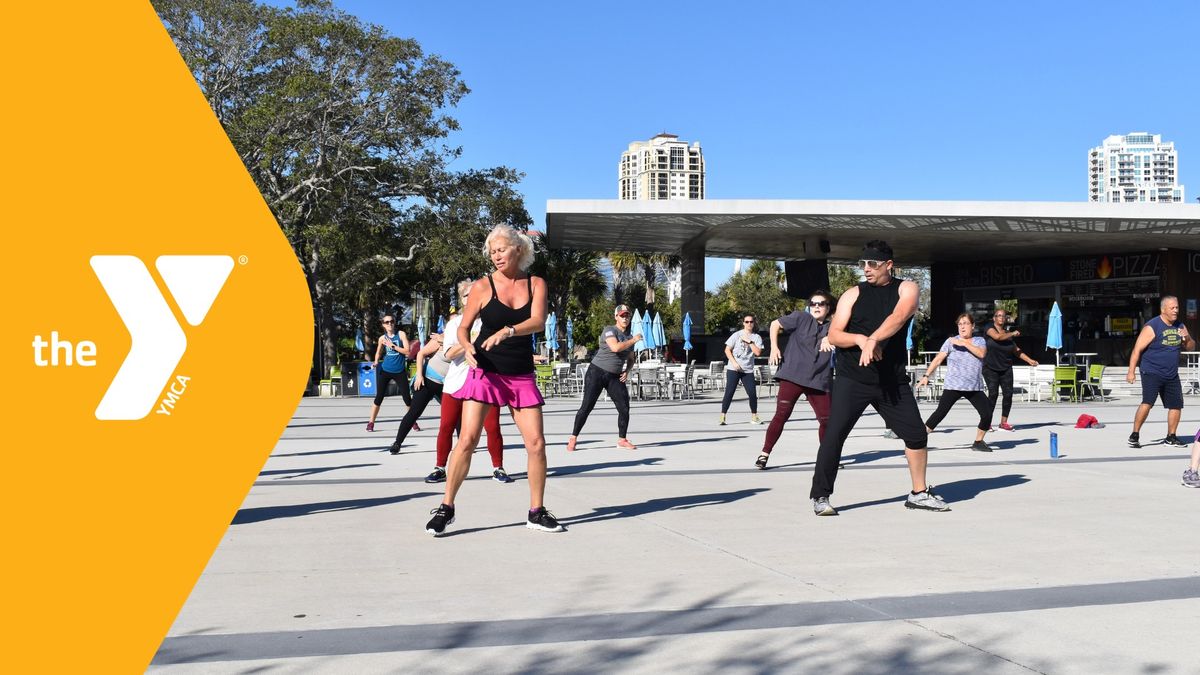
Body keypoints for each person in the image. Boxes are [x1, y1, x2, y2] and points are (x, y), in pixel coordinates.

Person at [425, 224, 563, 536]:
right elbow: (463, 326)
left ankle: (536, 511)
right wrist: (468, 346)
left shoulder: (536, 283)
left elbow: (538, 321)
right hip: (486, 369)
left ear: (519, 249)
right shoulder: (482, 286)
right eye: (492, 251)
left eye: (501, 249)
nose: (496, 255)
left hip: (520, 372)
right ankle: (446, 508)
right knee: (468, 440)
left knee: (537, 443)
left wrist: (510, 330)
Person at [809, 240, 949, 516]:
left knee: (916, 435)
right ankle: (820, 496)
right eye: (863, 264)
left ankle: (918, 494)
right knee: (834, 436)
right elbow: (834, 334)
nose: (866, 269)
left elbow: (900, 315)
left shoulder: (907, 288)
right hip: (853, 378)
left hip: (891, 381)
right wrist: (861, 339)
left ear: (889, 265)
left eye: (872, 264)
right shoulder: (852, 294)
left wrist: (874, 339)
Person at [422, 281, 508, 483]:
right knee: (447, 426)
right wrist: (469, 343)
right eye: (467, 295)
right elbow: (450, 353)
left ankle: (498, 467)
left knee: (493, 427)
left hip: (487, 381)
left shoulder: (492, 322)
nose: (471, 299)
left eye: (476, 294)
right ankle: (440, 467)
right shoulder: (454, 324)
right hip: (455, 382)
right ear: (462, 299)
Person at [758, 291, 836, 469]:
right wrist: (774, 348)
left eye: (821, 303)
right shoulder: (800, 318)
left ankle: (827, 458)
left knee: (827, 421)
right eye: (813, 303)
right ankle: (764, 454)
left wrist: (831, 338)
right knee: (781, 415)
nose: (817, 306)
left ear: (828, 307)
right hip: (792, 375)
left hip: (818, 380)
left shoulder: (833, 327)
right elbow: (774, 324)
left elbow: (845, 337)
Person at [566, 304, 642, 452]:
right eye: (622, 315)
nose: (625, 318)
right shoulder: (609, 330)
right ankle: (573, 438)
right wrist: (634, 340)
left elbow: (631, 358)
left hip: (614, 376)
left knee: (624, 407)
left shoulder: (628, 337)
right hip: (597, 372)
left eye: (627, 315)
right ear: (616, 317)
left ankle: (622, 439)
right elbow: (615, 348)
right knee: (587, 406)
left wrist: (627, 370)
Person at [918, 314, 994, 452]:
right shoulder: (950, 341)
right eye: (960, 324)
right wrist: (926, 375)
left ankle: (978, 441)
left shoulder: (979, 340)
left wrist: (964, 343)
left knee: (987, 414)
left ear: (973, 326)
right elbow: (938, 359)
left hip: (974, 387)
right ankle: (917, 442)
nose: (962, 326)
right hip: (954, 385)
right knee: (940, 413)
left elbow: (981, 354)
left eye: (965, 323)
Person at [1126, 296, 1194, 448]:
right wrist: (1131, 371)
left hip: (1171, 373)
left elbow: (1191, 347)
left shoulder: (1180, 326)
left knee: (1176, 405)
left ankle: (1171, 436)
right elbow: (1137, 350)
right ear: (1163, 310)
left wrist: (1187, 338)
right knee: (1148, 402)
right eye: (1172, 308)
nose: (1176, 310)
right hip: (1151, 371)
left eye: (1177, 307)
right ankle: (1135, 434)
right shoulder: (1152, 326)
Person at [982, 309, 1038, 432]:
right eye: (999, 316)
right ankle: (986, 422)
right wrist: (1012, 334)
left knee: (1008, 394)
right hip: (990, 367)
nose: (1001, 318)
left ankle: (1004, 423)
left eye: (1004, 316)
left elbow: (1016, 350)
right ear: (994, 318)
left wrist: (1029, 360)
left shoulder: (1007, 334)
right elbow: (997, 337)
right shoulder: (989, 328)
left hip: (1006, 367)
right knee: (993, 394)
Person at [365, 315, 411, 432]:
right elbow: (378, 352)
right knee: (379, 397)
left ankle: (412, 421)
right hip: (385, 370)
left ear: (394, 323)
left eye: (392, 321)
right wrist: (375, 362)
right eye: (387, 322)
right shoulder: (382, 338)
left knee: (407, 399)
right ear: (383, 325)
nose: (390, 324)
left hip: (399, 371)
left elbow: (407, 351)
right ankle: (371, 423)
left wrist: (393, 346)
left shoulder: (401, 334)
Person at [720, 314, 764, 425]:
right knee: (729, 393)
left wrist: (749, 342)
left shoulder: (756, 337)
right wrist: (734, 363)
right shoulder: (736, 335)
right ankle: (722, 416)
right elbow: (727, 350)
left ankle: (754, 416)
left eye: (751, 322)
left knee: (752, 394)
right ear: (743, 323)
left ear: (754, 323)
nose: (749, 324)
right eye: (747, 322)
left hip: (747, 370)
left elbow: (758, 353)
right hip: (734, 369)